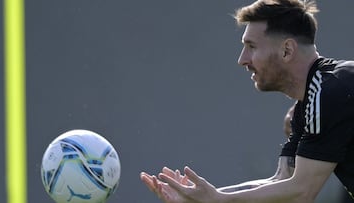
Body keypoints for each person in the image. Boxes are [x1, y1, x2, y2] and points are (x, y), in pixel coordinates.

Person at [140, 0, 354, 202]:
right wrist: (203, 197)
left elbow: (301, 192)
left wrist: (218, 200)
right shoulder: (312, 102)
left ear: (286, 50)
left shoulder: (328, 93)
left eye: (251, 46)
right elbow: (281, 182)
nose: (242, 59)